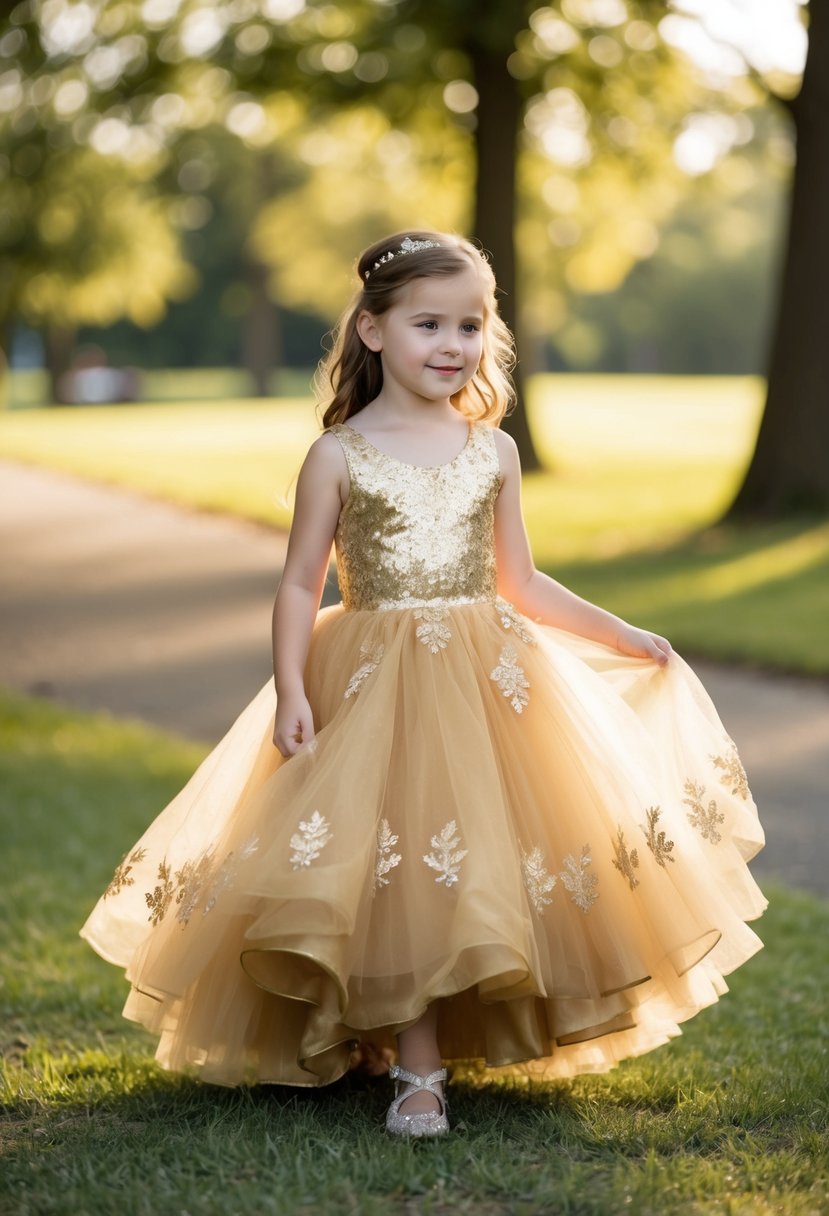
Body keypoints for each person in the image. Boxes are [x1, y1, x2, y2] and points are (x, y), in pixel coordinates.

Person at [81, 230, 766, 1139]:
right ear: (372, 331)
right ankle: (412, 1067)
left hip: (489, 678)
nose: (453, 344)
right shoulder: (338, 454)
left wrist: (621, 631)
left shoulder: (493, 452)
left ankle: (425, 1054)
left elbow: (518, 579)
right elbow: (299, 581)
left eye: (471, 325)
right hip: (371, 680)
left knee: (466, 864)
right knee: (386, 865)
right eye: (428, 324)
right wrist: (290, 687)